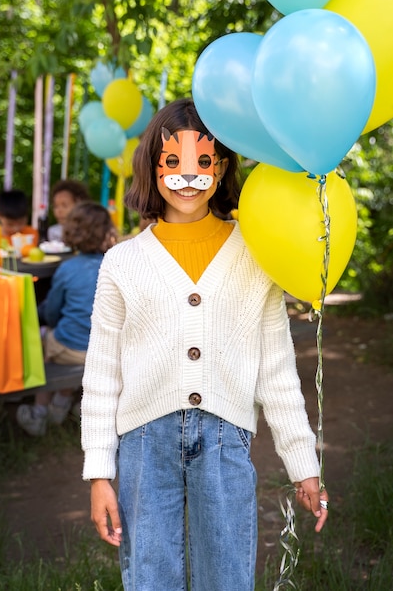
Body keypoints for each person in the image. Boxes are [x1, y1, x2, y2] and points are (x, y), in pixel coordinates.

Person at [80, 98, 329, 591]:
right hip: (142, 445)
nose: (188, 176)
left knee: (229, 576)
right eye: (172, 162)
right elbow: (102, 374)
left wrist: (304, 465)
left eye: (203, 162)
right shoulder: (122, 263)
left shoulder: (255, 255)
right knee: (150, 578)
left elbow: (276, 370)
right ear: (152, 168)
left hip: (225, 440)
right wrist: (99, 474)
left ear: (221, 168)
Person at [16, 201, 117, 437]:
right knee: (74, 338)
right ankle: (61, 405)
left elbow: (51, 312)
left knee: (45, 341)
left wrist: (45, 320)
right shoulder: (116, 266)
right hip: (107, 352)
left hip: (73, 349)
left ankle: (40, 413)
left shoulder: (67, 268)